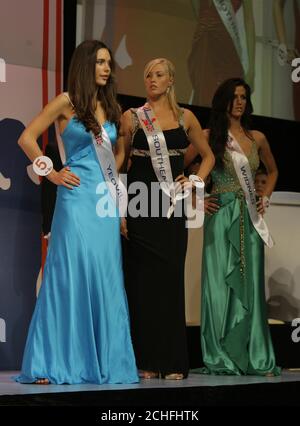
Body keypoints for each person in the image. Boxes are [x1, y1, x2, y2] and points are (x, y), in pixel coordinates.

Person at [15, 40, 138, 385]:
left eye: (108, 63)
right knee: (69, 275)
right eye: (100, 62)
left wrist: (112, 181)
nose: (106, 68)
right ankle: (51, 360)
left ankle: (105, 361)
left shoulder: (111, 106)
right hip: (74, 198)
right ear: (86, 64)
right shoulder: (66, 102)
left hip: (104, 201)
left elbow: (115, 157)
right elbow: (27, 138)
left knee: (105, 276)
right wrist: (51, 172)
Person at [117, 58, 215, 380]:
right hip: (139, 207)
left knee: (170, 283)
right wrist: (119, 211)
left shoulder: (186, 117)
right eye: (148, 75)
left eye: (159, 75)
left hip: (171, 210)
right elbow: (119, 166)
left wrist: (195, 180)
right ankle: (145, 359)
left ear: (171, 80)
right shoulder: (131, 118)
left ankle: (173, 361)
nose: (152, 80)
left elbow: (208, 156)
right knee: (142, 286)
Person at [188, 77, 280, 376]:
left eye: (243, 97)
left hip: (250, 218)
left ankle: (253, 353)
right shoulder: (208, 135)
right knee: (218, 286)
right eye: (234, 97)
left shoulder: (258, 138)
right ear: (223, 101)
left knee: (249, 285)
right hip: (221, 215)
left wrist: (265, 196)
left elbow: (273, 169)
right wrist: (197, 197)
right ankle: (220, 353)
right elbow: (185, 165)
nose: (239, 102)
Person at [188, 0, 256, 107]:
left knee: (227, 100)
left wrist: (251, 70)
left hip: (229, 51)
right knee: (204, 96)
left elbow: (249, 21)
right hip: (205, 45)